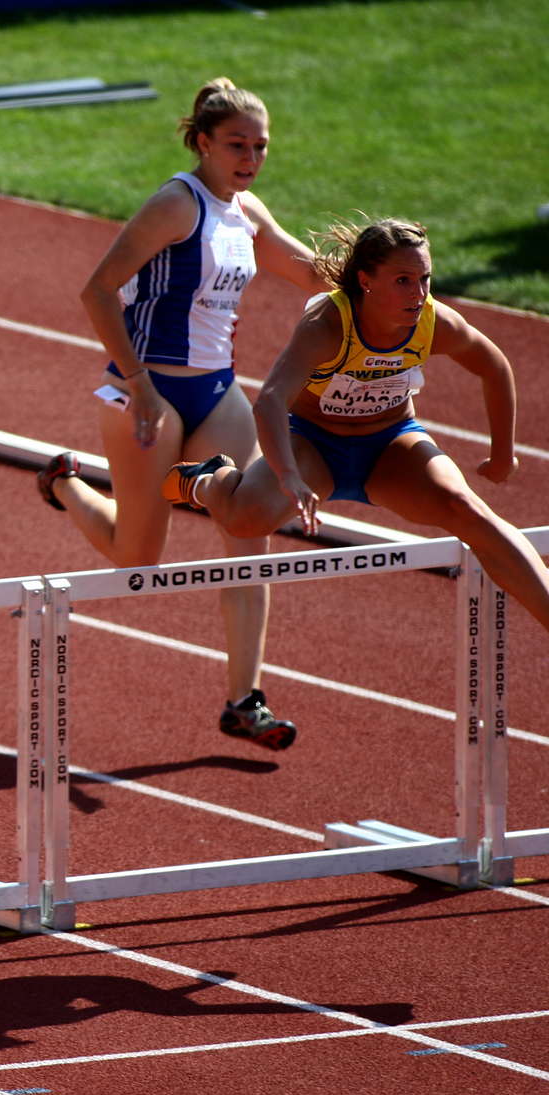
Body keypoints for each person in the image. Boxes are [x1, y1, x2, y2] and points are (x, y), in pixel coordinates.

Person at [39, 79, 324, 750]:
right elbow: (97, 290)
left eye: (260, 146)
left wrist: (387, 276)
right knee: (138, 558)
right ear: (202, 143)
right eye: (237, 145)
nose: (250, 158)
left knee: (248, 529)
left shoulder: (247, 212)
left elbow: (312, 273)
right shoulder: (176, 204)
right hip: (149, 394)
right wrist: (139, 384)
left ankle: (244, 700)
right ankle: (64, 483)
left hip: (217, 393)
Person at [163, 217, 549, 637]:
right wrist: (288, 475)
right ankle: (209, 481)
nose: (419, 293)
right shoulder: (328, 326)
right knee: (244, 520)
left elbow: (494, 366)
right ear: (366, 281)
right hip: (314, 444)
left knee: (468, 510)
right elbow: (271, 400)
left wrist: (503, 453)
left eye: (424, 278)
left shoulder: (433, 322)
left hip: (391, 447)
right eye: (403, 280)